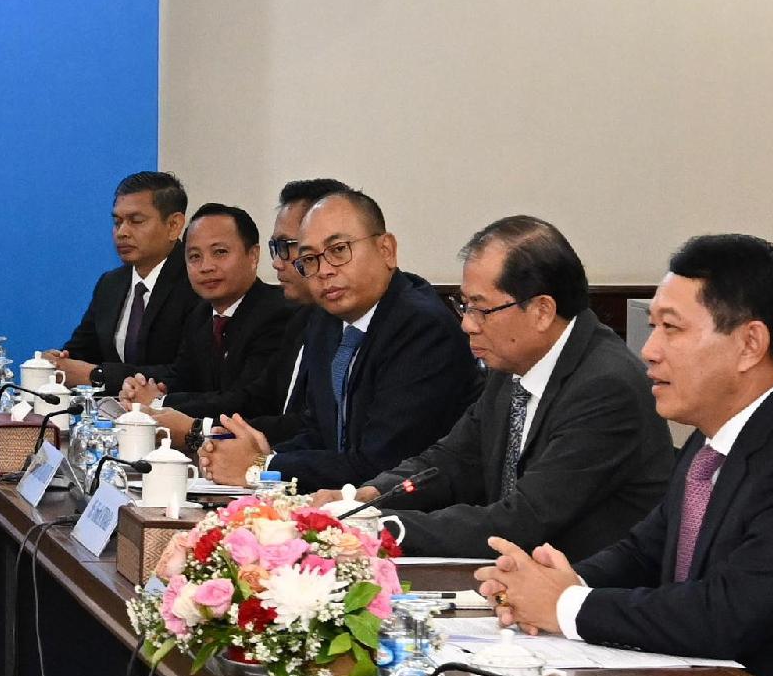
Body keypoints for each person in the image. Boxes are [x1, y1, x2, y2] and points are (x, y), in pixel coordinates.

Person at [478, 232, 773, 676]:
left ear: (749, 345)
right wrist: (544, 583)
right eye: (653, 326)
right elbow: (645, 551)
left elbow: (723, 615)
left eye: (671, 328)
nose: (649, 350)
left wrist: (566, 605)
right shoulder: (711, 437)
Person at [349, 216, 671, 562]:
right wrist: (369, 497)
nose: (467, 324)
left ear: (542, 311)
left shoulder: (606, 388)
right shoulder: (512, 363)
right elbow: (454, 459)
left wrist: (385, 527)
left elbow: (521, 521)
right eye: (464, 305)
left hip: (588, 594)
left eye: (481, 309)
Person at [226, 186, 477, 483]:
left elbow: (381, 463)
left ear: (386, 250)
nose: (324, 271)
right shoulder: (324, 321)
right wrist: (249, 454)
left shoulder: (421, 328)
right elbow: (320, 433)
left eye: (338, 250)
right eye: (309, 259)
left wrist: (263, 465)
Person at [119, 203, 295, 436]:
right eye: (194, 257)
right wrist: (140, 388)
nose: (206, 267)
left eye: (220, 252)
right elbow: (182, 376)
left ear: (253, 256)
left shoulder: (278, 312)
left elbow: (248, 400)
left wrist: (160, 402)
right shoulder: (200, 314)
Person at [54, 171, 192, 385]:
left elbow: (186, 373)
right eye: (118, 222)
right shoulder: (111, 283)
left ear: (174, 225)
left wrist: (98, 375)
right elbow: (80, 351)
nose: (122, 232)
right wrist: (57, 362)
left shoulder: (197, 283)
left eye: (136, 221)